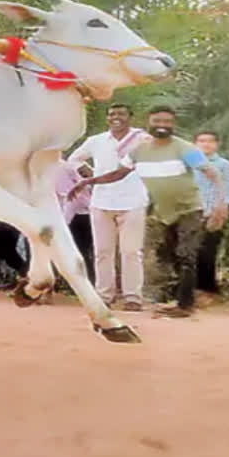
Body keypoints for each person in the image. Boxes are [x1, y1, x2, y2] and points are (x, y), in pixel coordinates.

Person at [76, 106, 228, 318]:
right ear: (149, 122)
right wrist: (89, 181)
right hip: (164, 213)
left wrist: (221, 204)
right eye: (157, 121)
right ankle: (179, 301)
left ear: (173, 124)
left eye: (167, 122)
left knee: (186, 255)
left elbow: (212, 173)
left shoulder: (183, 148)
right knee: (171, 256)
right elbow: (119, 174)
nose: (162, 126)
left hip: (189, 210)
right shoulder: (140, 150)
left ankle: (184, 305)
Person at [68, 104, 149, 311]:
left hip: (133, 201)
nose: (116, 117)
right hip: (101, 201)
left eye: (121, 113)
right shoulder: (97, 141)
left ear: (131, 116)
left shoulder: (142, 139)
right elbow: (74, 159)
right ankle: (104, 295)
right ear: (107, 119)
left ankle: (133, 297)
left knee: (131, 252)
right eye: (112, 114)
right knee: (103, 251)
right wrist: (88, 174)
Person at [191, 131, 229, 297]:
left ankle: (208, 289)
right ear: (195, 144)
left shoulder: (224, 165)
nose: (206, 144)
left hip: (213, 212)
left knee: (208, 252)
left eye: (210, 141)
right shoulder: (189, 163)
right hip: (190, 213)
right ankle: (187, 289)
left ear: (217, 144)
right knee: (187, 252)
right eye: (202, 141)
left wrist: (222, 211)